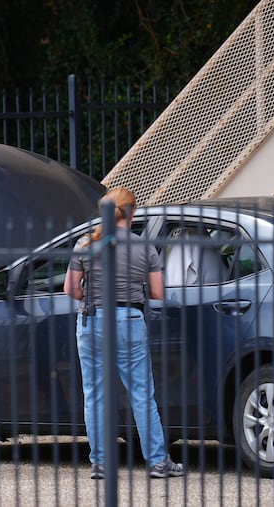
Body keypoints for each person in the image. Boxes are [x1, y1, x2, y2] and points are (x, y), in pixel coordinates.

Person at [63, 187, 184, 480]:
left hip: (92, 321)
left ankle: (100, 464)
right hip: (129, 319)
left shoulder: (85, 244)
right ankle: (157, 462)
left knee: (94, 395)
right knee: (142, 394)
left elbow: (70, 290)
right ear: (131, 214)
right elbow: (157, 292)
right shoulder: (144, 247)